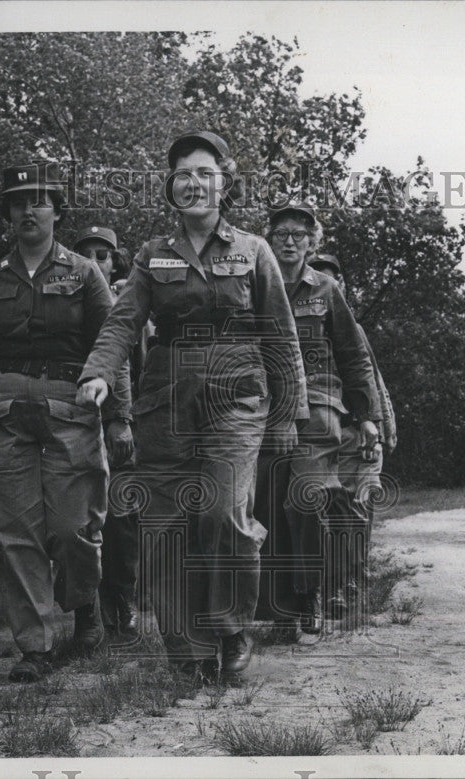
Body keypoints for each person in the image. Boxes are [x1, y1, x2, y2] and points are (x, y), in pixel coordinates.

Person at [76, 131, 307, 681]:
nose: (194, 183)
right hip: (167, 398)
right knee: (168, 521)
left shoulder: (254, 250)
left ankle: (229, 630)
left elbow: (282, 332)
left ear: (225, 184)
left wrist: (290, 413)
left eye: (205, 172)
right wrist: (98, 374)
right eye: (183, 174)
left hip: (237, 394)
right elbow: (122, 322)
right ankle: (186, 647)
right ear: (170, 188)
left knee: (224, 511)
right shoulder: (152, 255)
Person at [0, 162, 133, 682]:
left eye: (40, 200)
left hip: (71, 409)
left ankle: (85, 604)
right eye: (18, 202)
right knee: (14, 533)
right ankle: (34, 645)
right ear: (7, 213)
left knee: (75, 529)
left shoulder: (85, 272)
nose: (29, 210)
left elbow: (111, 346)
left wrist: (119, 418)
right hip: (5, 412)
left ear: (56, 211)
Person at [254, 208, 381, 641]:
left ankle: (310, 595)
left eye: (300, 235)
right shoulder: (252, 287)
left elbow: (354, 356)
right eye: (281, 234)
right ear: (268, 239)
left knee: (304, 500)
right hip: (262, 410)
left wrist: (366, 418)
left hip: (318, 407)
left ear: (312, 242)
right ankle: (280, 610)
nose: (290, 242)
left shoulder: (325, 290)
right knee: (267, 507)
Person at [309, 253, 397, 619]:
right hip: (324, 429)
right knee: (330, 509)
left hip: (357, 430)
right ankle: (331, 586)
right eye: (319, 278)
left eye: (334, 278)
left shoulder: (353, 329)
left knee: (357, 508)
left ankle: (351, 579)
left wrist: (383, 423)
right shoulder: (300, 323)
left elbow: (371, 378)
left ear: (342, 285)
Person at [74, 225, 140, 640]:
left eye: (104, 254)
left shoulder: (135, 304)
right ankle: (88, 610)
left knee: (121, 518)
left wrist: (127, 419)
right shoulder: (68, 305)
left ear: (116, 261)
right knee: (80, 519)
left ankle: (123, 601)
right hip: (76, 421)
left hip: (125, 427)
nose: (96, 262)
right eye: (88, 254)